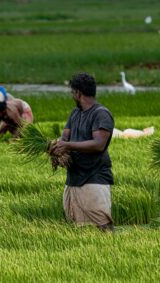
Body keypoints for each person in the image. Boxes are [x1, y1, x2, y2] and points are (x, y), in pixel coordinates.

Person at [51, 73, 115, 231]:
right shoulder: (75, 113)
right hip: (73, 178)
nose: (72, 96)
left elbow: (99, 144)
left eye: (72, 92)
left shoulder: (101, 114)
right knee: (76, 227)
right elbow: (65, 135)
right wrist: (57, 148)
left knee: (102, 227)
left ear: (78, 93)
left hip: (94, 179)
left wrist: (68, 146)